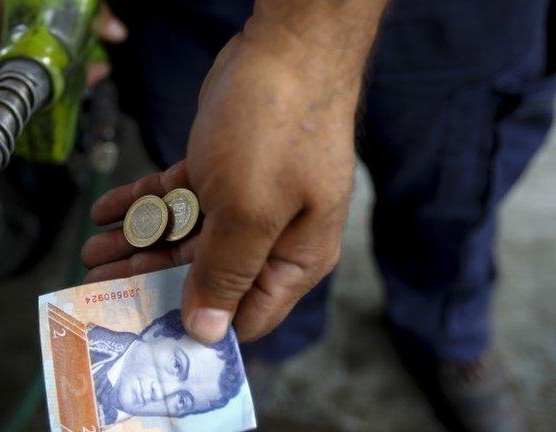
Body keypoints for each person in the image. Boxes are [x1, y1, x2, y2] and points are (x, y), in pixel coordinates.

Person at [79, 1, 556, 431]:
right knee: (231, 216)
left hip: (455, 24)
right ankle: (259, 343)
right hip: (197, 19)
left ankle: (447, 332)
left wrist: (299, 47)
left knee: (448, 200)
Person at [88, 309, 245, 426]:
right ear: (156, 333)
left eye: (183, 400)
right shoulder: (83, 339)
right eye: (177, 365)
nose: (163, 391)